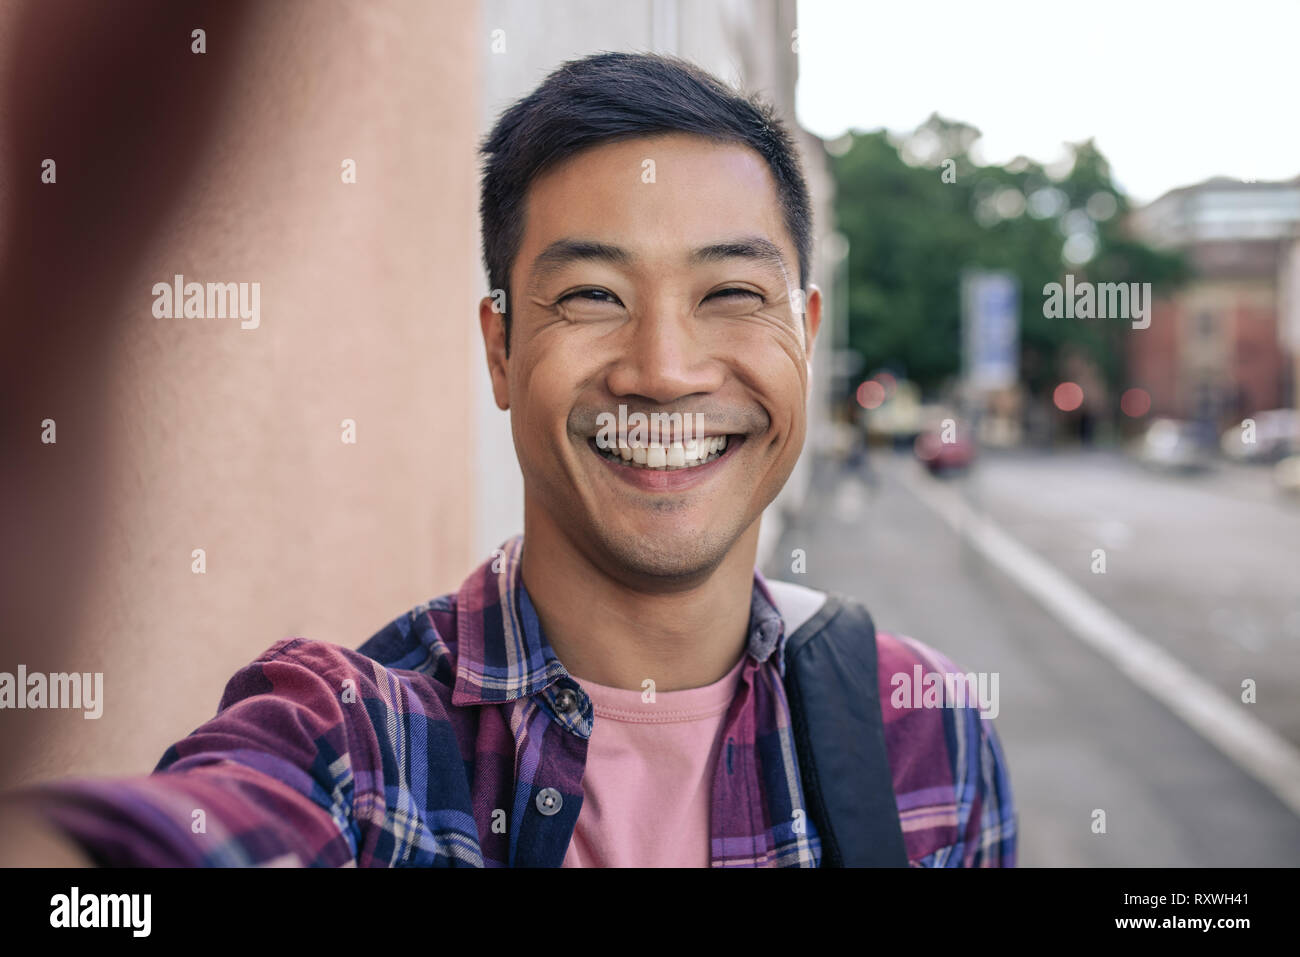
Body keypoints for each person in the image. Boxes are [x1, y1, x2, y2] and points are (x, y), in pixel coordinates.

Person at [0, 51, 1015, 868]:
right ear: (500, 348)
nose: (662, 371)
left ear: (806, 332)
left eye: (731, 294)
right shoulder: (361, 747)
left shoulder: (924, 737)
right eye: (590, 297)